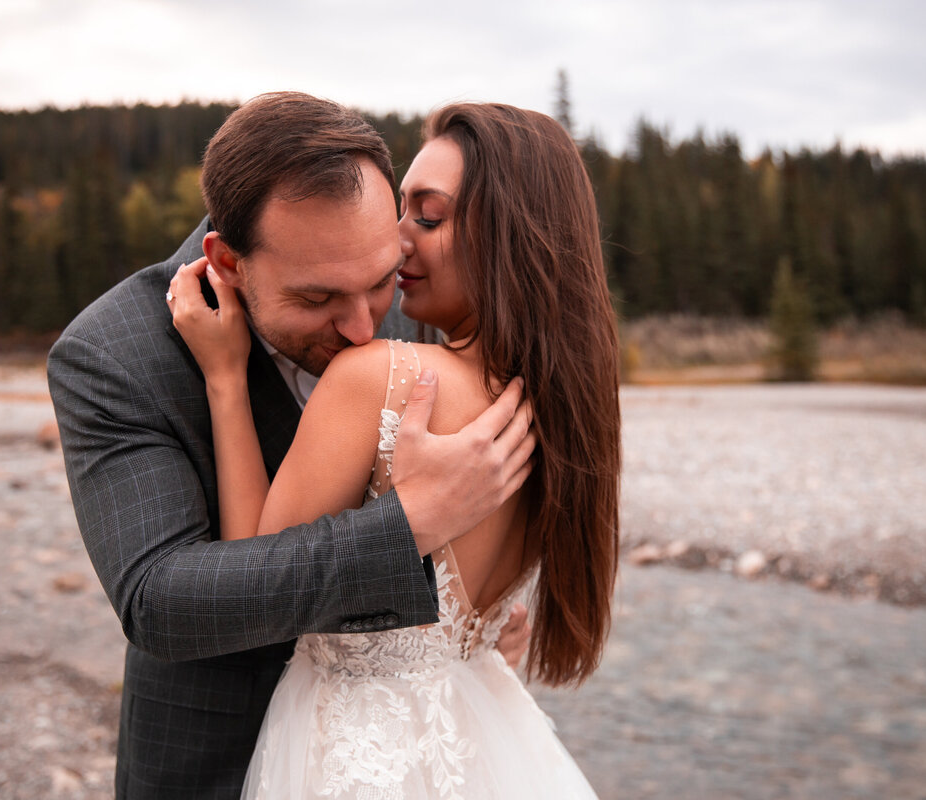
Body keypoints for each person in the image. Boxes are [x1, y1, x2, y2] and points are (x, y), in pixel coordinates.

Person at [47, 92, 537, 800]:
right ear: (228, 260)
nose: (366, 326)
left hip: (407, 756)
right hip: (214, 764)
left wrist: (473, 628)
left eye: (377, 283)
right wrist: (405, 528)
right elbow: (160, 601)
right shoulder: (111, 355)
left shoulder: (415, 292)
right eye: (317, 301)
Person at [170, 102, 621, 798]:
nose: (395, 238)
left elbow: (252, 583)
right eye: (399, 208)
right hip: (484, 742)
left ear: (510, 236)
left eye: (427, 217)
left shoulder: (384, 378)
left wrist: (225, 378)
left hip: (354, 754)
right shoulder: (561, 410)